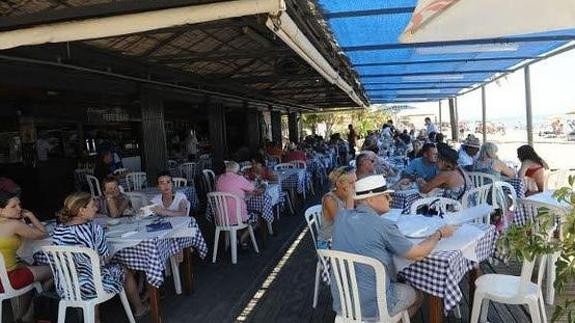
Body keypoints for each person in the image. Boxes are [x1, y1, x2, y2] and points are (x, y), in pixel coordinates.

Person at [331, 175, 455, 319]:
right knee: (419, 296)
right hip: (374, 306)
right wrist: (439, 234)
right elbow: (418, 254)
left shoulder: (341, 217)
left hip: (343, 302)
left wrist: (355, 192)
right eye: (386, 196)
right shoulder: (384, 226)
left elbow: (351, 205)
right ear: (370, 199)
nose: (391, 199)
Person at [52, 193, 148, 322]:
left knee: (91, 275)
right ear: (81, 211)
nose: (96, 208)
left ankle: (93, 318)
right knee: (124, 271)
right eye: (93, 206)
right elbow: (104, 259)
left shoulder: (59, 229)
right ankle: (140, 309)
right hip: (91, 286)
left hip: (66, 286)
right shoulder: (94, 228)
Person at [0, 190, 51, 322]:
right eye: (13, 206)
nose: (20, 208)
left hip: (3, 274)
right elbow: (43, 233)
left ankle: (26, 316)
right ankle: (31, 314)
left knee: (28, 266)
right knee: (54, 270)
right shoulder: (14, 225)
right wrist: (30, 215)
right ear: (1, 210)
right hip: (9, 277)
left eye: (19, 205)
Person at [215, 161, 262, 245]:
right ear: (237, 170)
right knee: (257, 218)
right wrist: (263, 185)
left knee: (240, 213)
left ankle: (238, 239)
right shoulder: (239, 178)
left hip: (221, 218)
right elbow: (254, 189)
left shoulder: (220, 178)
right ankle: (242, 239)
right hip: (238, 218)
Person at [317, 166, 356, 248]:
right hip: (328, 243)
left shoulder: (348, 194)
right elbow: (343, 224)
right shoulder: (329, 199)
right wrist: (350, 197)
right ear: (338, 184)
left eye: (355, 181)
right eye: (351, 183)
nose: (355, 185)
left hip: (345, 238)